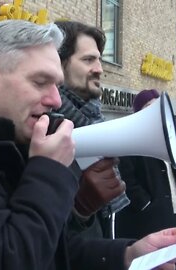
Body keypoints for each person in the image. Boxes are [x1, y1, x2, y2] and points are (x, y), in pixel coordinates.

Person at [0, 20, 176, 270]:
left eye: (57, 84)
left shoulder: (6, 143)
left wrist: (126, 256)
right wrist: (48, 171)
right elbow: (12, 259)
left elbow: (50, 252)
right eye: (41, 82)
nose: (56, 100)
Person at [54, 20, 128, 239]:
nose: (99, 69)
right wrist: (80, 210)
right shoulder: (43, 127)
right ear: (58, 64)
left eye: (99, 60)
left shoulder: (94, 119)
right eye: (88, 60)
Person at [115, 89, 176, 270]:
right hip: (146, 220)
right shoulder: (130, 136)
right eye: (148, 106)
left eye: (157, 105)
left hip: (175, 214)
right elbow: (125, 176)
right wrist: (145, 204)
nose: (155, 110)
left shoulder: (170, 135)